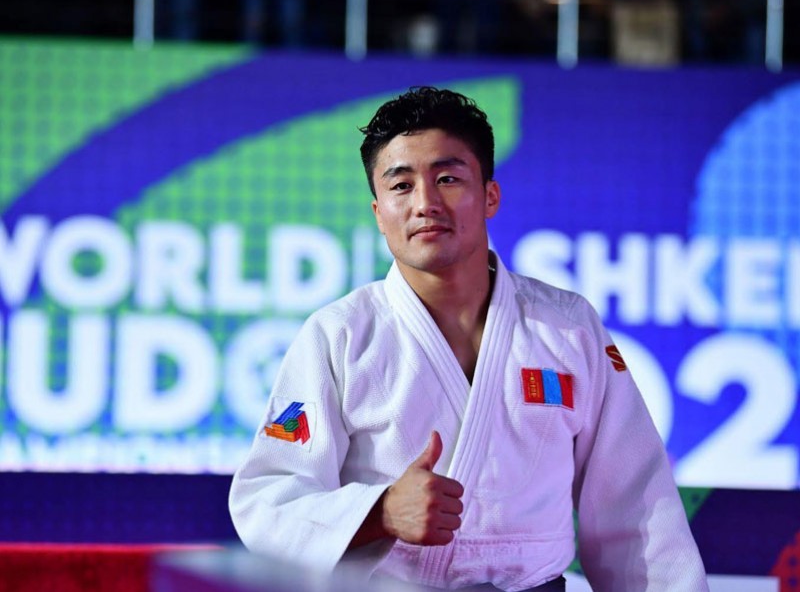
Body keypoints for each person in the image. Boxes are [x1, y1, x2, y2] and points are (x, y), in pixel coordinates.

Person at [229, 87, 709, 591]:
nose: (425, 204)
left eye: (448, 179)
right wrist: (380, 511)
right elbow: (268, 500)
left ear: (490, 196)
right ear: (378, 212)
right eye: (401, 185)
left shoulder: (568, 328)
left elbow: (636, 509)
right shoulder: (341, 335)